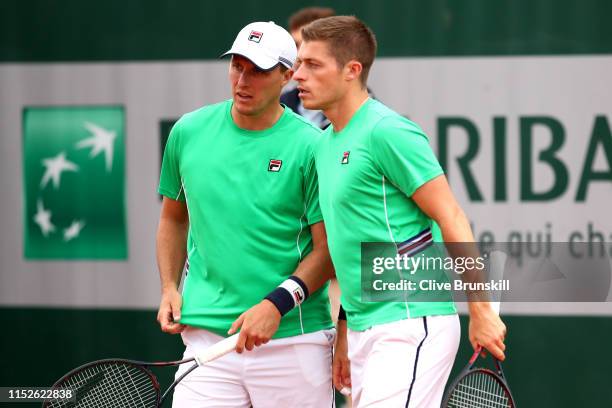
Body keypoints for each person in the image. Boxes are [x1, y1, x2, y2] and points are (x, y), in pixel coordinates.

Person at [293, 16, 507, 407]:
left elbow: (452, 217)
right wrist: (344, 331)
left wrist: (480, 309)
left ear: (351, 71)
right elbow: (350, 244)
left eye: (312, 64)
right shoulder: (324, 146)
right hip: (362, 326)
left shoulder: (388, 131)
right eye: (298, 62)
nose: (297, 75)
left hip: (410, 321)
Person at [156, 21, 335, 407]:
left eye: (258, 70)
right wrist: (170, 286)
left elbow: (328, 250)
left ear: (287, 75)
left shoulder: (312, 147)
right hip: (207, 339)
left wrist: (276, 304)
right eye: (237, 65)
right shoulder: (187, 132)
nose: (243, 80)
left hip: (293, 340)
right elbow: (173, 217)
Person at [281, 7, 336, 129]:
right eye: (295, 44)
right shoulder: (281, 103)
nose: (298, 53)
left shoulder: (365, 114)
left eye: (307, 42)